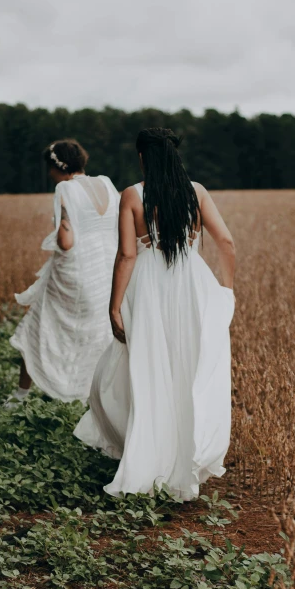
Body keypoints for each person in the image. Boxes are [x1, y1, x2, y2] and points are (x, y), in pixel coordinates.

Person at [74, 127, 235, 500]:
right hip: (193, 284)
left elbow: (128, 255)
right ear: (175, 155)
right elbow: (225, 241)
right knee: (188, 370)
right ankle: (184, 463)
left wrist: (114, 305)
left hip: (148, 289)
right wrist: (226, 289)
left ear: (142, 156)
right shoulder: (197, 192)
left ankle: (146, 458)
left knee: (146, 373)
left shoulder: (132, 195)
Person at [5, 139, 120, 407]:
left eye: (50, 168)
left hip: (74, 272)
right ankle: (93, 400)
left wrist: (56, 235)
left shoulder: (65, 189)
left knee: (38, 327)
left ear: (59, 167)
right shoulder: (106, 183)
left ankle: (20, 396)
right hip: (105, 272)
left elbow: (66, 241)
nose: (48, 174)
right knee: (95, 334)